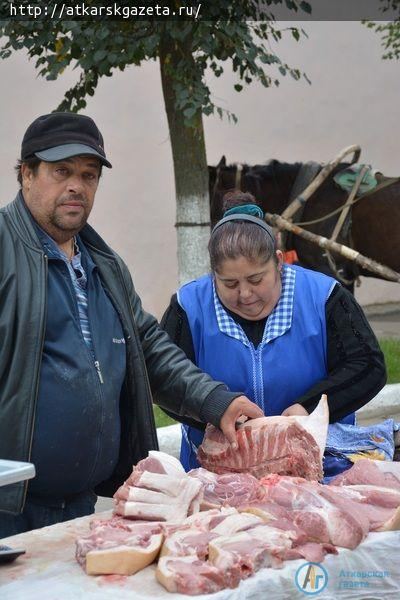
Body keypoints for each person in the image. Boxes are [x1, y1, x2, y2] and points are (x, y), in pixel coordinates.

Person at [0, 113, 263, 537]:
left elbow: (149, 348)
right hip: (10, 512)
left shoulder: (104, 265)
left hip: (84, 505)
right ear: (26, 174)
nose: (76, 186)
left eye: (88, 175)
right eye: (61, 171)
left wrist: (216, 401)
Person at [160, 190, 387, 471]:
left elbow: (367, 366)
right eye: (229, 284)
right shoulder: (189, 307)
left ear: (279, 262)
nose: (245, 294)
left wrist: (308, 408)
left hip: (321, 469)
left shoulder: (324, 296)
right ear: (213, 275)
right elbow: (165, 380)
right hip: (219, 476)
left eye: (256, 279)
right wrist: (217, 411)